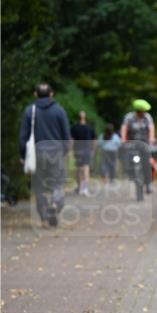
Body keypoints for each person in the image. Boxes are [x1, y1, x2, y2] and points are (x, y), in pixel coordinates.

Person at [18, 83, 71, 226]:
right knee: (58, 183)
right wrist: (65, 151)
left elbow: (23, 136)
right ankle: (55, 204)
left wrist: (23, 155)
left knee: (39, 186)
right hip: (56, 152)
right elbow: (66, 135)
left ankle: (44, 218)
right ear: (51, 94)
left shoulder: (30, 111)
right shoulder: (59, 110)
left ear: (35, 94)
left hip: (37, 154)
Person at [120, 98, 156, 195]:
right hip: (132, 144)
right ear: (138, 111)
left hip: (144, 144)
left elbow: (151, 128)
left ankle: (148, 184)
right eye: (142, 111)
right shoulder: (129, 117)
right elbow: (124, 128)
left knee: (147, 163)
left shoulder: (147, 117)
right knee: (127, 157)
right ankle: (129, 172)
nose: (143, 113)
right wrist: (123, 139)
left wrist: (151, 138)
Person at [70, 111, 96, 196]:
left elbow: (72, 140)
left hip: (77, 150)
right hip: (86, 150)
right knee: (86, 169)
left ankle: (79, 187)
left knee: (78, 169)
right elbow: (94, 140)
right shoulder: (89, 127)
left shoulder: (74, 127)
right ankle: (85, 189)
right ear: (85, 117)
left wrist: (71, 150)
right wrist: (93, 150)